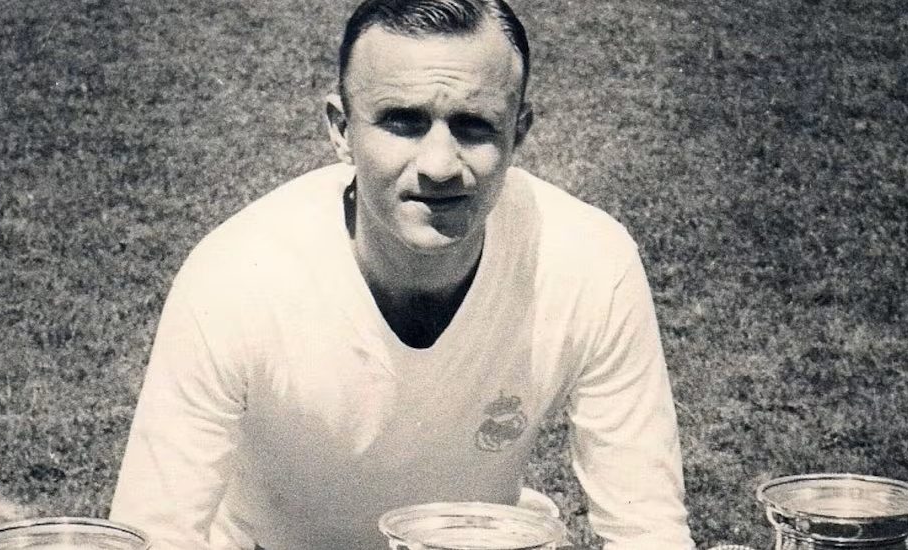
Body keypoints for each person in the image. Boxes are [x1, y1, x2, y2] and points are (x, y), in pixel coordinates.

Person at [109, 0, 695, 548]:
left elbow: (646, 528)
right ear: (342, 129)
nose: (439, 165)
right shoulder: (235, 278)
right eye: (403, 122)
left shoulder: (590, 262)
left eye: (474, 125)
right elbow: (152, 533)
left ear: (518, 131)